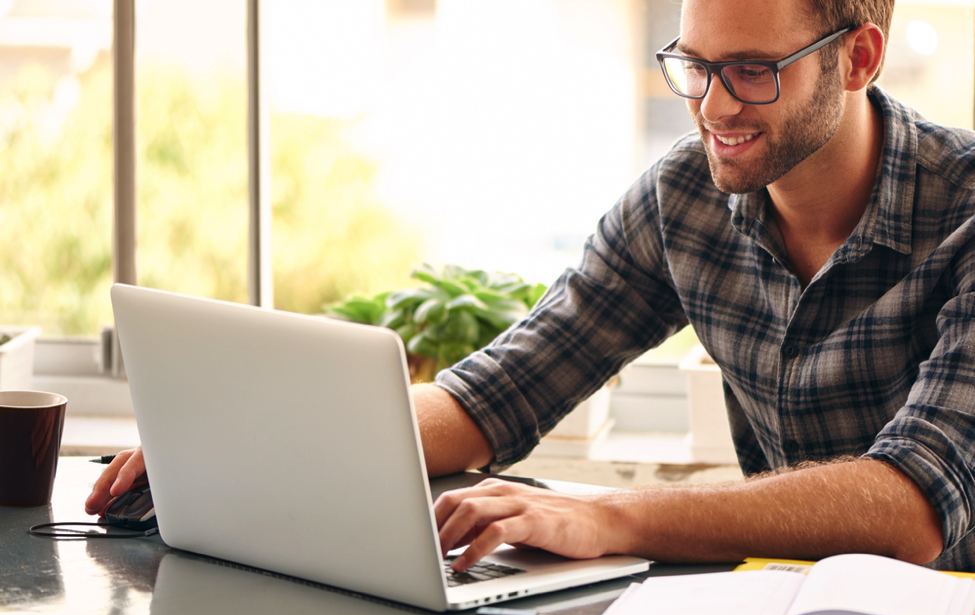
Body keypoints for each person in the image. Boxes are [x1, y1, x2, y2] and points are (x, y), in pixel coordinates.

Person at [88, 0, 975, 573]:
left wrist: (610, 515)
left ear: (858, 57)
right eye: (693, 66)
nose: (709, 107)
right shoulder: (682, 198)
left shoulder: (964, 210)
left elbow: (911, 506)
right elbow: (505, 388)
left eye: (751, 71)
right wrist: (246, 444)